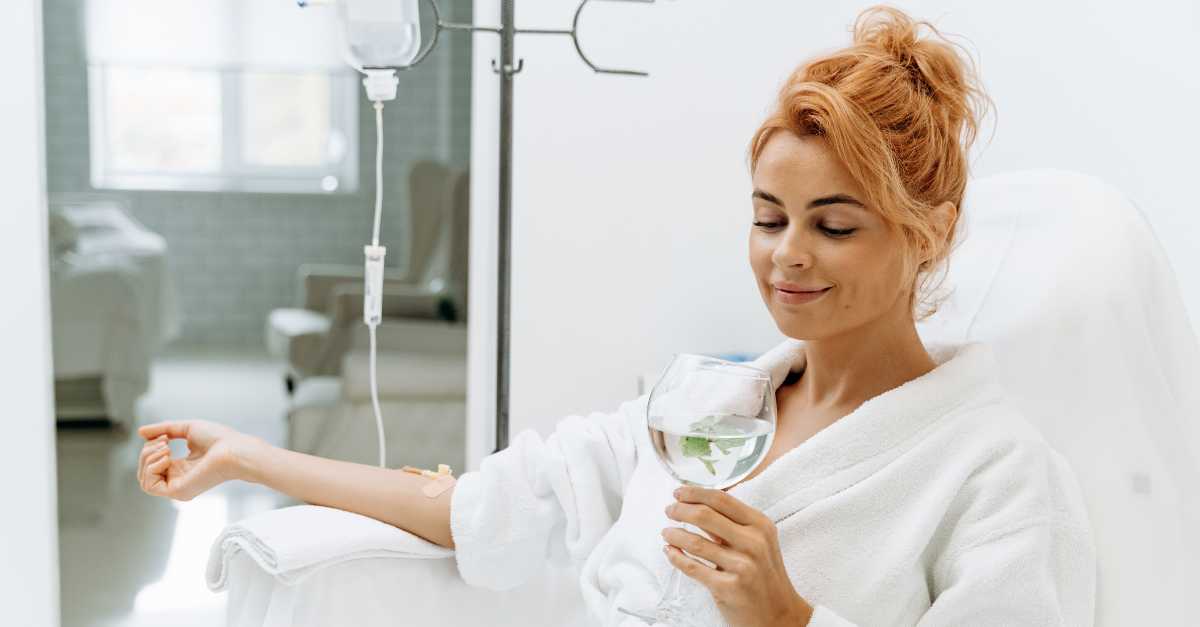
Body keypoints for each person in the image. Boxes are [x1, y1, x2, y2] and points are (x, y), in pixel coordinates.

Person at [137, 6, 1095, 626]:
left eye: (833, 226)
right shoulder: (703, 412)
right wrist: (247, 456)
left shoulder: (995, 474)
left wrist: (789, 618)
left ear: (932, 231)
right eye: (768, 218)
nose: (787, 255)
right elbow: (476, 509)